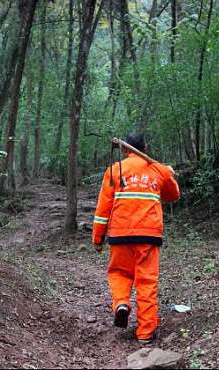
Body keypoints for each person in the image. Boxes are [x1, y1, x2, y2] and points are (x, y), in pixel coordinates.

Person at [91, 132, 180, 344]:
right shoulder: (157, 170)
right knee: (146, 282)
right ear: (145, 147)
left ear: (124, 149)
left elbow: (103, 209)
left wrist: (98, 238)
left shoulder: (114, 170)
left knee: (120, 273)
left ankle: (121, 303)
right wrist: (169, 175)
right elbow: (173, 195)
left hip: (120, 235)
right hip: (148, 236)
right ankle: (145, 334)